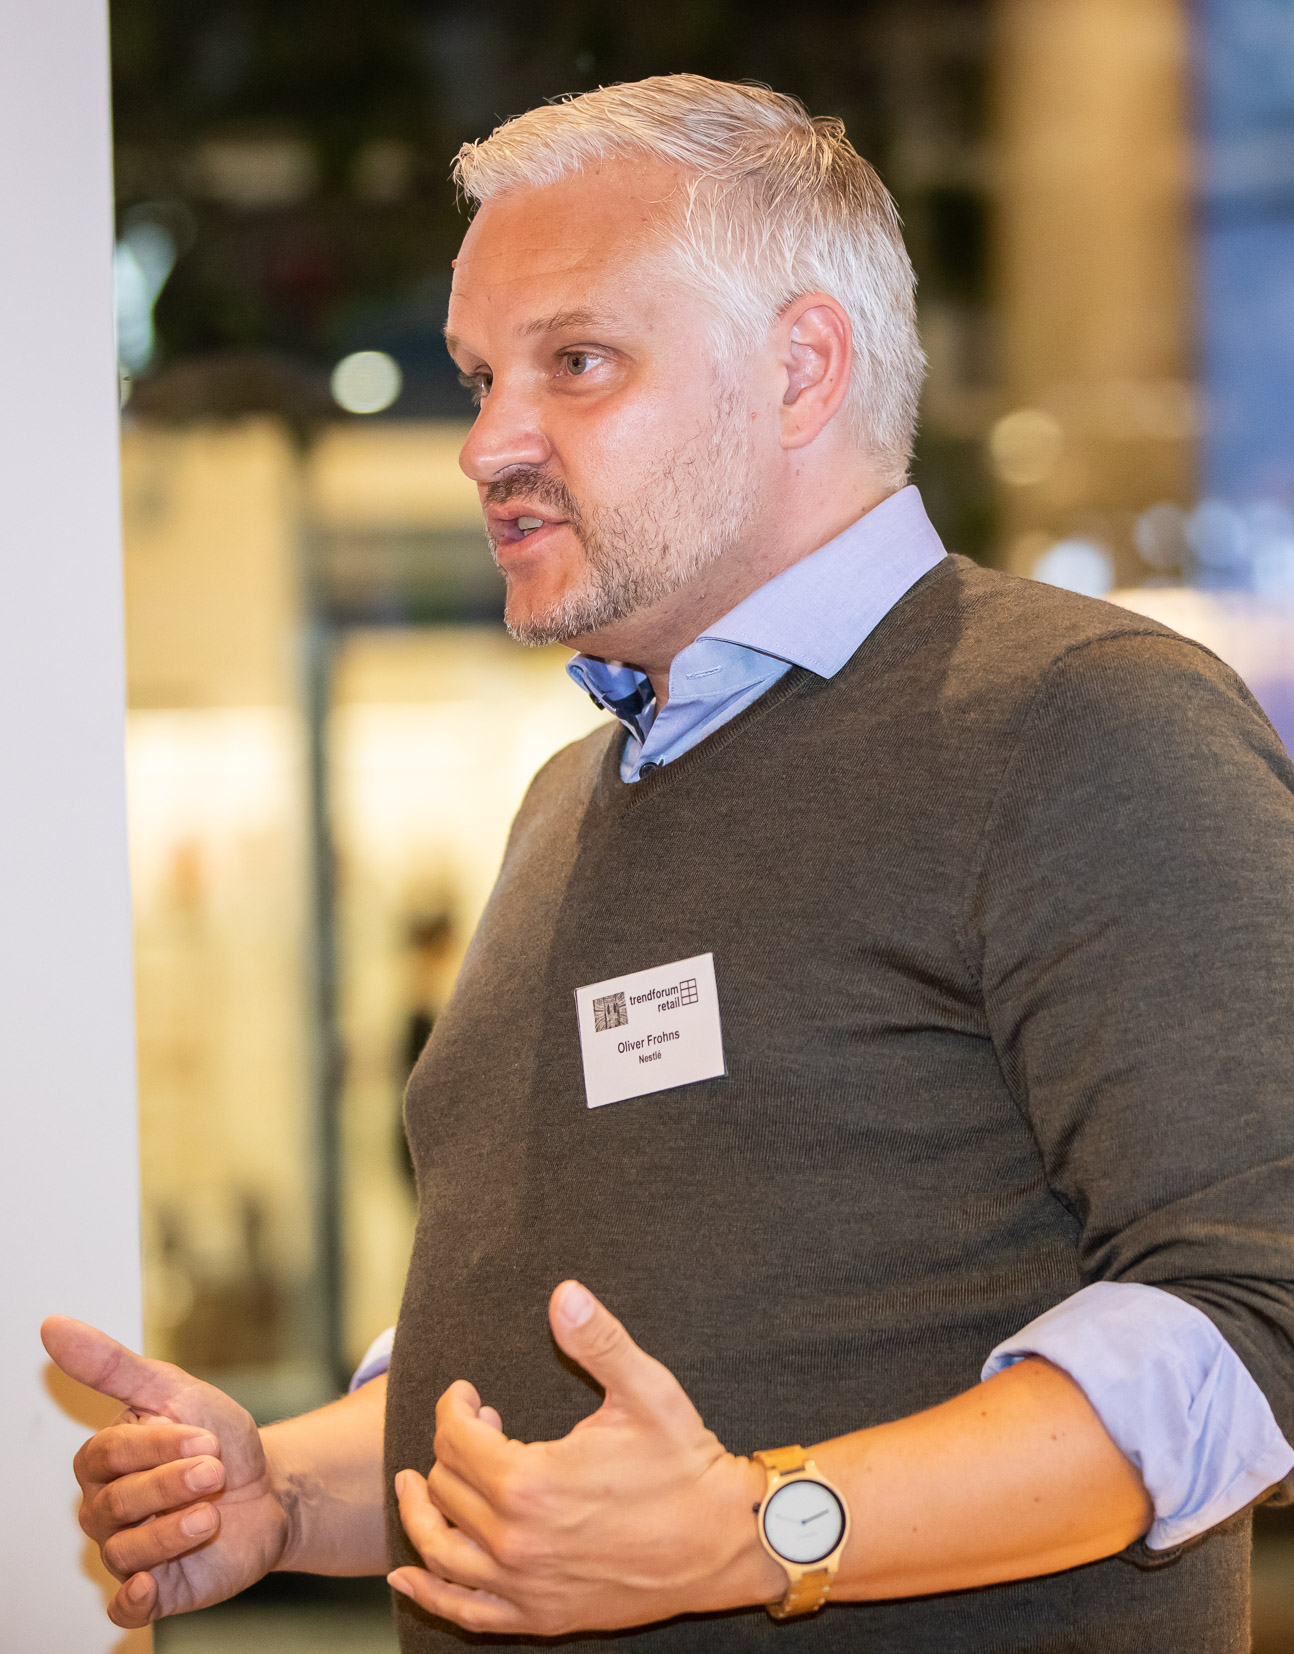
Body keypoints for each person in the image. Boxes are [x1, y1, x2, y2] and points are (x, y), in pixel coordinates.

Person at [44, 75, 1294, 1652]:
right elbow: (551, 1393)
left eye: (575, 363)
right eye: (480, 376)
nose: (487, 441)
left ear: (799, 368)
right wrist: (282, 1491)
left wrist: (761, 1529)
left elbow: (1252, 1311)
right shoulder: (568, 802)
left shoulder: (1079, 718)